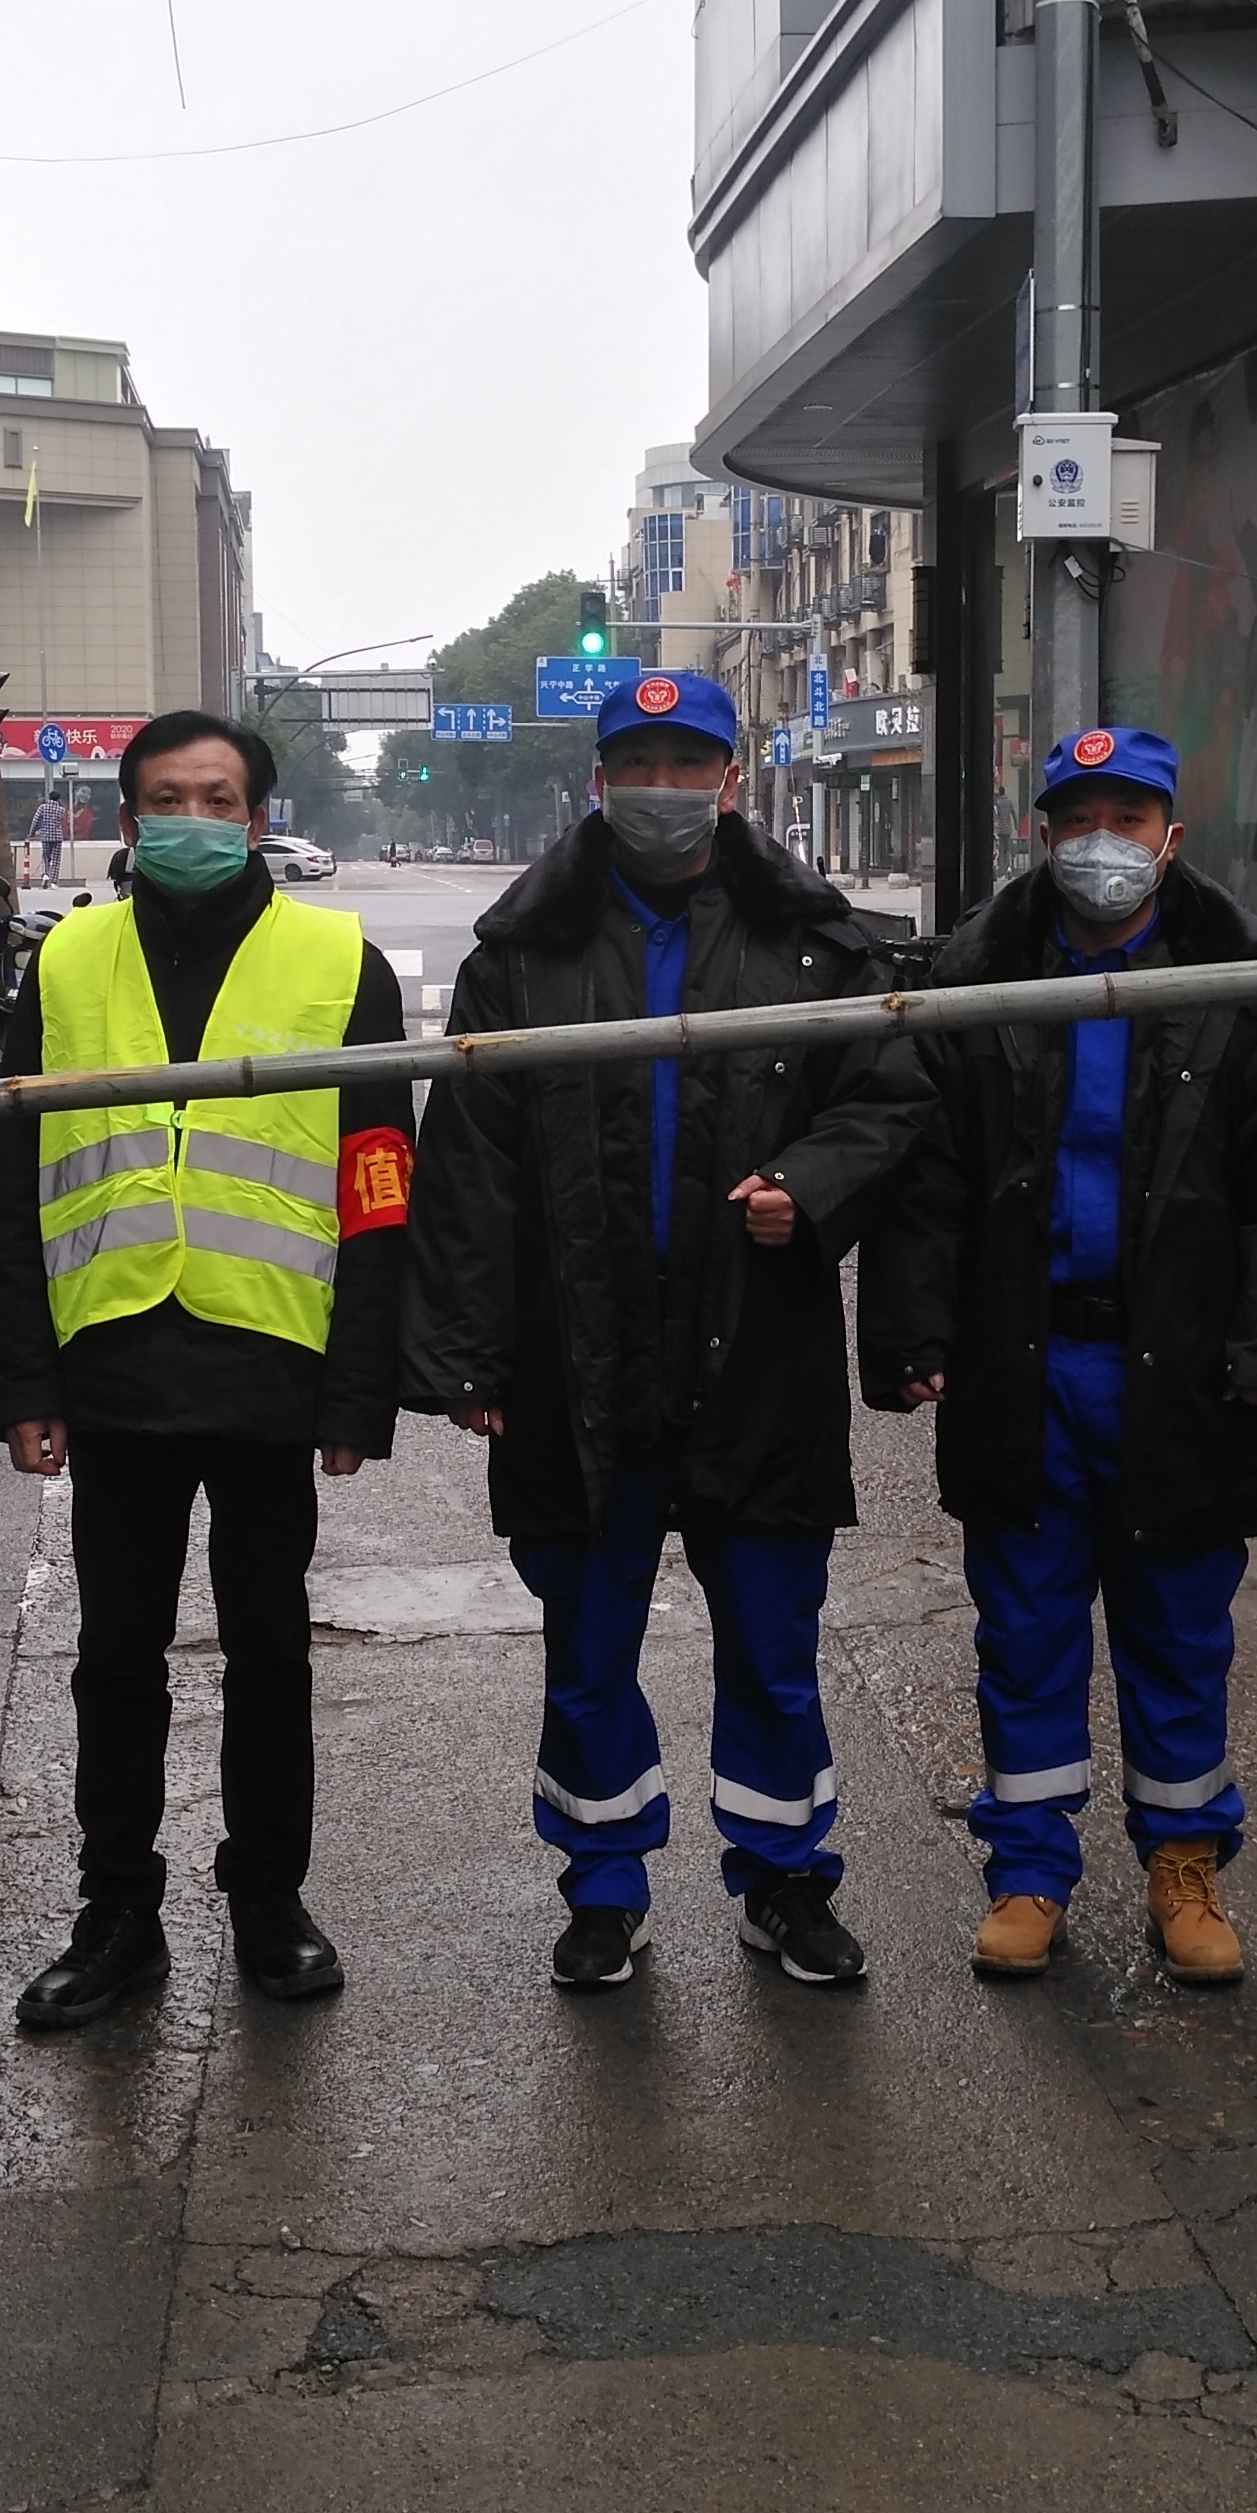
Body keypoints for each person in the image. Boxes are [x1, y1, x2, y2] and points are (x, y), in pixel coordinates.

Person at [402, 668, 929, 1991]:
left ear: (731, 782)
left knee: (773, 1641)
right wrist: (466, 1353)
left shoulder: (815, 945)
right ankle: (603, 1884)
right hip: (573, 1351)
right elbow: (464, 1164)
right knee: (588, 1649)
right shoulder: (521, 959)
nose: (664, 790)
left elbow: (886, 1104)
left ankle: (787, 1883)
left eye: (689, 765)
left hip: (755, 1343)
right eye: (639, 765)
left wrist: (805, 1191)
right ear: (600, 782)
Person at [861, 726, 1257, 1985]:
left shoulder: (1253, 981)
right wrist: (913, 1332)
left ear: (1172, 837)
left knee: (1180, 1634)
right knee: (1023, 1632)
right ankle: (1028, 1870)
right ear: (1039, 834)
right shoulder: (978, 976)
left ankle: (1185, 1869)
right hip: (1027, 1364)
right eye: (1076, 820)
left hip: (1181, 1369)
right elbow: (927, 1174)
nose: (1101, 846)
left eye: (1127, 820)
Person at [0, 707, 411, 2030]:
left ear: (258, 817)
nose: (191, 820)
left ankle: (267, 1902)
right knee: (114, 1655)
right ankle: (117, 1915)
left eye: (217, 799)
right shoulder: (67, 964)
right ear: (127, 819)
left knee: (268, 1650)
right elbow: (20, 1181)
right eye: (165, 798)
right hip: (112, 1360)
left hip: (268, 1361)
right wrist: (26, 1382)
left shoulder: (343, 962)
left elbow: (379, 1188)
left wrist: (360, 1388)